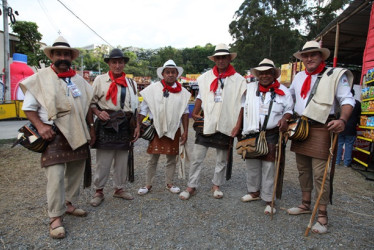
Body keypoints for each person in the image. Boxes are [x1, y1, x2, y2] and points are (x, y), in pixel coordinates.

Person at [20, 36, 95, 239]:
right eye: (58, 54)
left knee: (75, 172)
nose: (63, 57)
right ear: (52, 56)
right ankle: (55, 217)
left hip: (78, 132)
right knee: (55, 177)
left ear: (71, 57)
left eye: (66, 54)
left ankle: (69, 204)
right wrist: (40, 126)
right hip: (52, 134)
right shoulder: (40, 78)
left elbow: (88, 106)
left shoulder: (80, 81)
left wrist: (91, 128)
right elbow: (28, 108)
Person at [288, 40, 355, 234]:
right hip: (301, 128)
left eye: (313, 55)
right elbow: (290, 98)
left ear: (322, 57)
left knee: (320, 174)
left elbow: (348, 99)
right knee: (302, 169)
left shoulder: (335, 75)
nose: (309, 58)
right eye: (305, 55)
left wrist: (343, 120)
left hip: (322, 128)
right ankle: (305, 204)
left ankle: (322, 215)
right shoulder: (299, 76)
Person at [179, 43, 247, 200]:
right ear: (214, 60)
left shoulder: (239, 80)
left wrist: (237, 125)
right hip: (207, 122)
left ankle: (216, 185)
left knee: (222, 159)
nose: (221, 60)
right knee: (197, 157)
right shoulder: (205, 78)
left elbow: (243, 104)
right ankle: (191, 185)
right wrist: (194, 112)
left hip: (226, 123)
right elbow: (201, 96)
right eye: (218, 57)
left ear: (229, 58)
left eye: (224, 57)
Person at [240, 59, 293, 215]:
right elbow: (242, 107)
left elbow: (289, 109)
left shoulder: (283, 91)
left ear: (273, 74)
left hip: (271, 134)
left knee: (269, 167)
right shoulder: (249, 89)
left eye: (267, 73)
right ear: (257, 75)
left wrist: (285, 119)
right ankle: (254, 192)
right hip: (251, 132)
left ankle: (269, 200)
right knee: (252, 164)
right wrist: (238, 127)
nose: (264, 76)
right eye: (261, 73)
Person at [89, 48, 138, 207]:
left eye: (120, 62)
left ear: (124, 64)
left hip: (125, 123)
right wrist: (97, 111)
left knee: (122, 160)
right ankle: (99, 190)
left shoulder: (131, 83)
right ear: (109, 63)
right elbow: (91, 101)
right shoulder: (99, 80)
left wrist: (136, 126)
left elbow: (135, 106)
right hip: (106, 122)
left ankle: (119, 188)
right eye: (114, 62)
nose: (118, 65)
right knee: (103, 160)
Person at [135, 60, 191, 195]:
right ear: (163, 74)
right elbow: (143, 110)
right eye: (168, 72)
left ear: (177, 74)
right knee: (152, 158)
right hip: (157, 128)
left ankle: (169, 183)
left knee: (172, 157)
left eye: (173, 72)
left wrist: (185, 131)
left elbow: (185, 113)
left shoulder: (183, 92)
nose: (170, 75)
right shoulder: (152, 90)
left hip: (174, 128)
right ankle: (148, 184)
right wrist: (137, 126)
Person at [336, 89, 361, 167]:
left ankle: (337, 161)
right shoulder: (357, 103)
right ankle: (346, 163)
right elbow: (359, 115)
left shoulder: (342, 103)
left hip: (341, 126)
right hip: (352, 128)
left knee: (339, 144)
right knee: (349, 145)